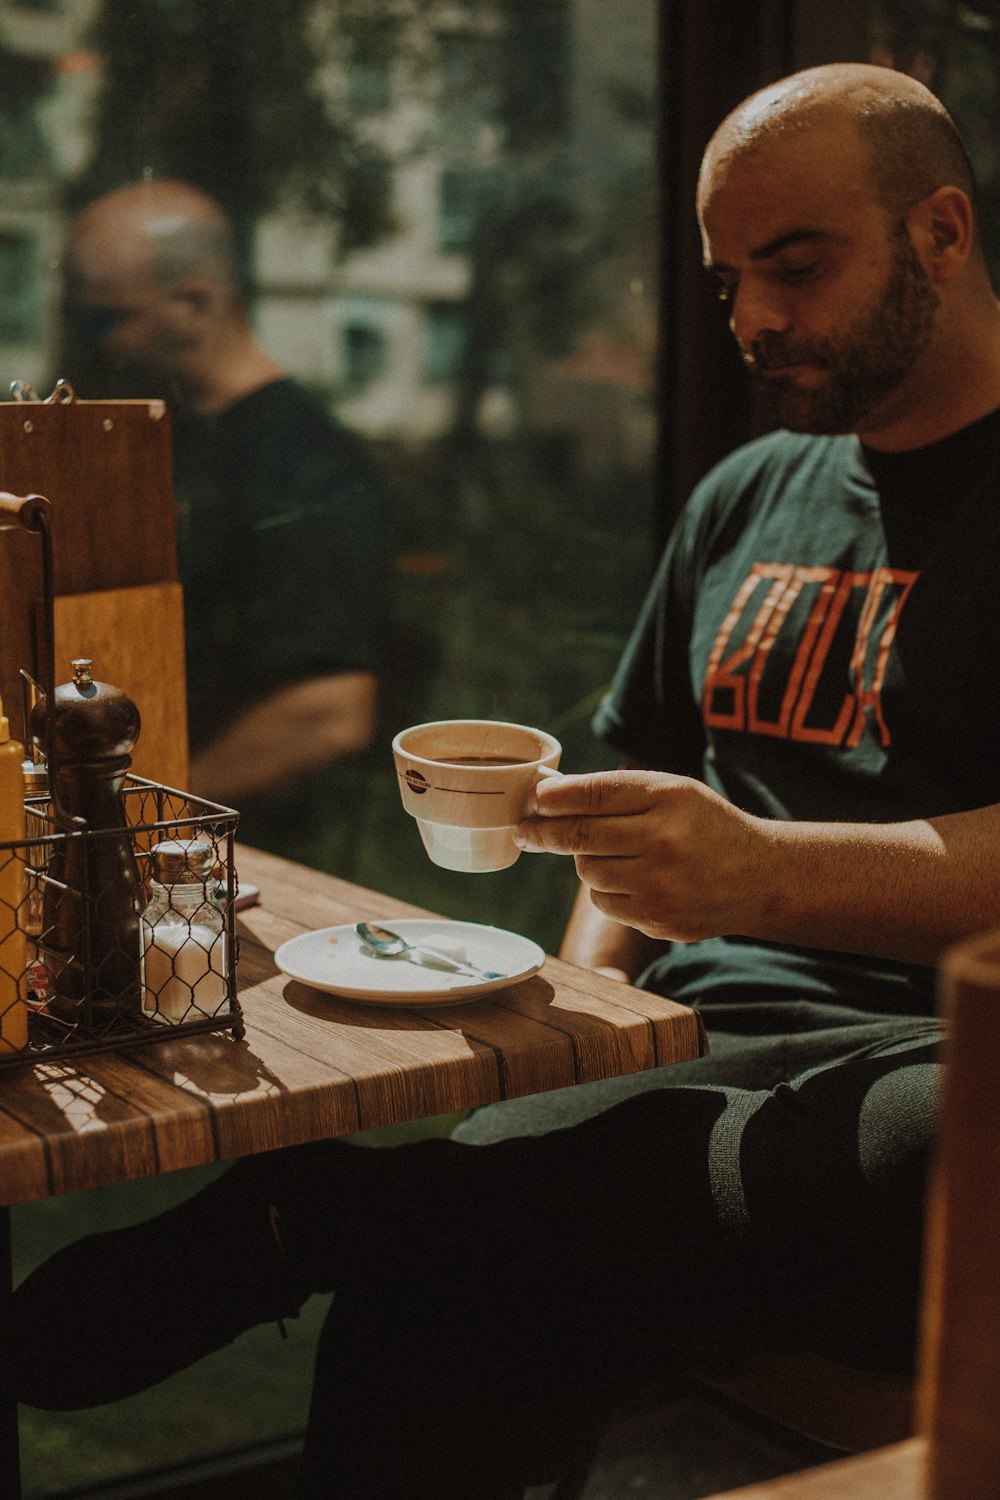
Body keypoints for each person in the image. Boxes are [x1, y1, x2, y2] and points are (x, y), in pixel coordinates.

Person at [13, 61, 1000, 1497]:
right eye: (728, 282)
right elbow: (646, 781)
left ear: (944, 233)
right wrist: (586, 1011)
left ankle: (334, 1208)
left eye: (797, 266)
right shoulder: (746, 492)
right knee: (477, 1251)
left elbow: (744, 857)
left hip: (935, 1060)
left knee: (917, 1131)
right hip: (703, 1047)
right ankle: (387, 1208)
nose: (755, 320)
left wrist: (772, 876)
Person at [62, 181, 392, 865]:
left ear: (196, 303)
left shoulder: (306, 465)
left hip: (250, 858)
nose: (95, 344)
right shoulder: (171, 434)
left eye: (106, 320)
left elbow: (328, 712)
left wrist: (146, 818)